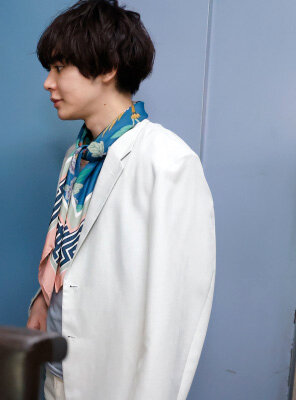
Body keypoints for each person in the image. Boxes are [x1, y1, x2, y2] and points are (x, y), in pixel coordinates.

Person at [26, 1, 216, 399]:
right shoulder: (78, 156)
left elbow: (176, 311)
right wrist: (42, 302)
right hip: (59, 370)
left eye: (59, 68)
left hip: (114, 380)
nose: (47, 82)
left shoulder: (167, 161)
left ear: (108, 68)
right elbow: (71, 249)